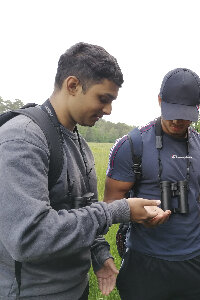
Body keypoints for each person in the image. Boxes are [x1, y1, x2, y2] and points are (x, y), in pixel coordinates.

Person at [0, 42, 164, 300]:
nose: (109, 110)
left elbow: (81, 210)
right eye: (103, 98)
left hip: (76, 289)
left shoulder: (80, 144)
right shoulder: (22, 138)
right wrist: (118, 210)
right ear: (73, 85)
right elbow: (28, 238)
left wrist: (99, 255)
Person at [104, 67, 200, 300]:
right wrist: (139, 216)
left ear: (198, 107)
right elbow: (109, 205)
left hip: (195, 262)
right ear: (159, 100)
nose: (177, 120)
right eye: (172, 111)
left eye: (186, 113)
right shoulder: (131, 145)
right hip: (145, 262)